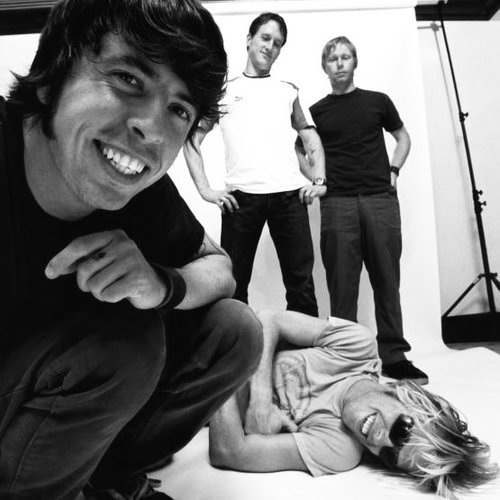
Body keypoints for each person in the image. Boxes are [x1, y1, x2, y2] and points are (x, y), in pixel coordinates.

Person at [0, 1, 264, 499]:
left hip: (51, 400)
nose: (153, 130)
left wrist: (160, 283)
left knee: (235, 329)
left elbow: (219, 269)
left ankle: (108, 481)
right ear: (51, 77)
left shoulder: (141, 190)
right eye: (128, 79)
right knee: (124, 343)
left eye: (179, 110)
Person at [209, 309, 498, 498]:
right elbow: (268, 319)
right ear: (407, 395)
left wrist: (226, 364)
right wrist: (260, 401)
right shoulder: (357, 348)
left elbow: (230, 452)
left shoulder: (338, 449)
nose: (379, 442)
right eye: (401, 432)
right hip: (210, 326)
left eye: (389, 456)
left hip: (196, 378)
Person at [296, 36, 427, 383]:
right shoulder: (317, 111)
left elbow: (403, 137)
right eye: (333, 59)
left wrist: (394, 170)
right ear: (324, 67)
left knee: (387, 281)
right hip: (337, 204)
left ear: (355, 62)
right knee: (342, 287)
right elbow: (300, 148)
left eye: (345, 57)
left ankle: (394, 357)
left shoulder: (378, 101)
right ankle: (347, 359)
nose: (340, 63)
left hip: (380, 200)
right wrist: (318, 179)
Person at [183, 12, 326, 317]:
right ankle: (240, 347)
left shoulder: (288, 91)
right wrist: (206, 190)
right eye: (265, 38)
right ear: (249, 40)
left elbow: (310, 137)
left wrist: (319, 181)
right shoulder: (224, 91)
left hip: (290, 198)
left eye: (278, 43)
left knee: (301, 287)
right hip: (241, 200)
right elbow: (192, 139)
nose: (270, 47)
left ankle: (303, 346)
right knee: (234, 286)